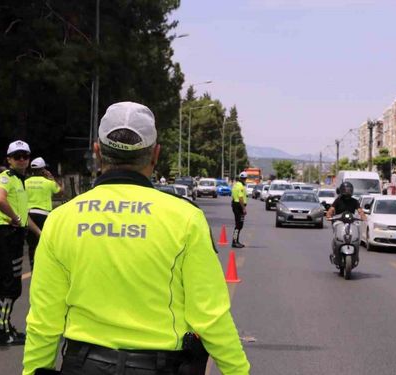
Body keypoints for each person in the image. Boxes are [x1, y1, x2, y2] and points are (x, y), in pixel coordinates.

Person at [23, 102, 250, 375]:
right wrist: (238, 370)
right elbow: (210, 315)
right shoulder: (185, 218)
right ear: (155, 154)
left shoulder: (62, 219)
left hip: (83, 365)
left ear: (97, 152)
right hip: (159, 366)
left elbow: (43, 320)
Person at [0, 140, 41, 346]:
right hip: (6, 235)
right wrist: (14, 218)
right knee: (9, 286)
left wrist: (39, 232)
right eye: (18, 156)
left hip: (14, 235)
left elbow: (25, 215)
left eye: (26, 156)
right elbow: (0, 199)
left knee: (12, 285)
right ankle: (3, 330)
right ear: (9, 160)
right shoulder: (6, 178)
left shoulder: (21, 181)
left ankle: (5, 327)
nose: (22, 160)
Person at [25, 157, 62, 269]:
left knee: (31, 244)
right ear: (43, 169)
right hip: (44, 215)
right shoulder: (48, 183)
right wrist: (51, 178)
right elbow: (60, 191)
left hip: (29, 216)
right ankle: (43, 266)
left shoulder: (25, 182)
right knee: (44, 242)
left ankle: (32, 265)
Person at [326, 182, 366, 262]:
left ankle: (355, 244)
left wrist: (363, 216)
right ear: (341, 190)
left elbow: (360, 210)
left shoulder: (354, 201)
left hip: (352, 220)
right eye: (345, 189)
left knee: (357, 226)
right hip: (339, 220)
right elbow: (332, 209)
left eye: (349, 189)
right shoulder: (338, 200)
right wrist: (329, 215)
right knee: (337, 228)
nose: (347, 191)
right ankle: (336, 244)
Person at [231, 172, 248, 248]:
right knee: (238, 225)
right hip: (239, 206)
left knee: (238, 225)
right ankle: (234, 242)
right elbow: (240, 198)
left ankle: (236, 241)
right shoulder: (241, 186)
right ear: (245, 179)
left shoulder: (235, 185)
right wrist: (243, 208)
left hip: (235, 204)